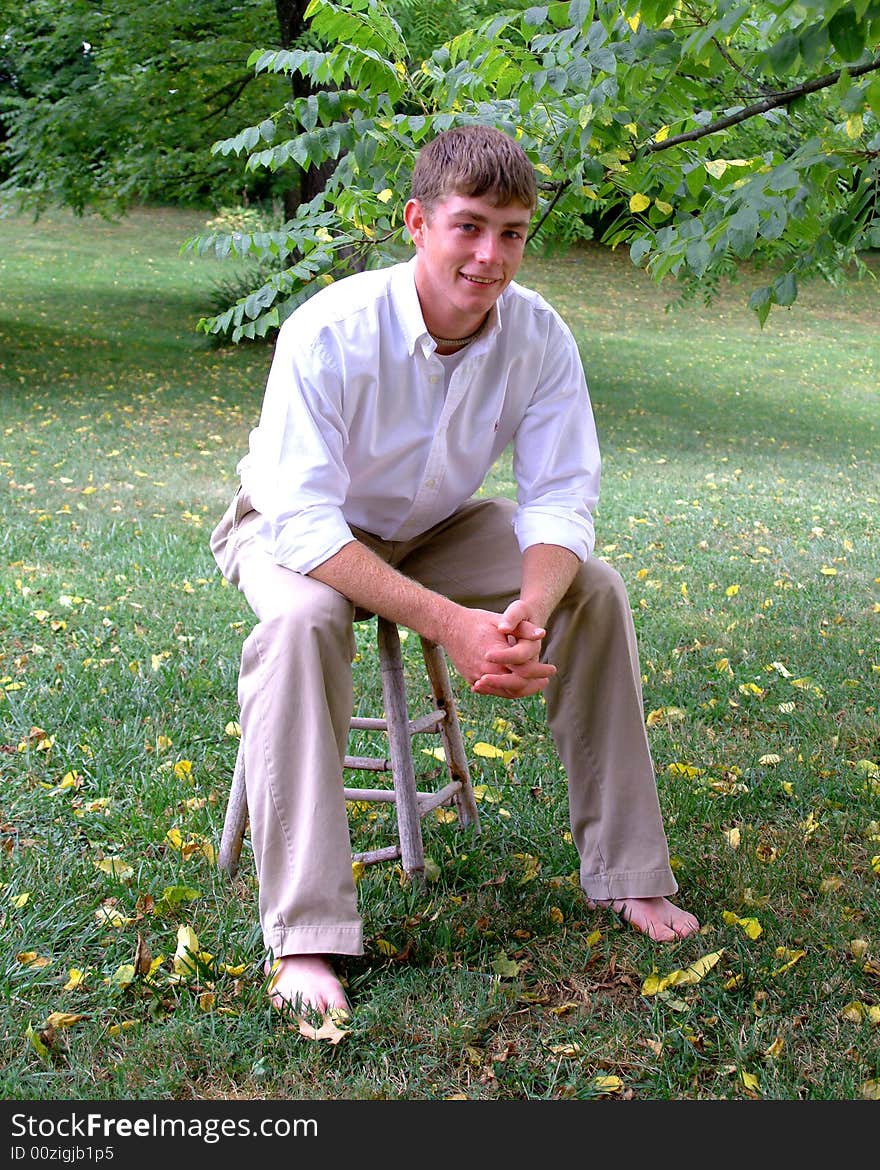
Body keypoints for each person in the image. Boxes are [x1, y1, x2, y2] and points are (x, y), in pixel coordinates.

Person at [210, 124, 699, 1023]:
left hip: (433, 527)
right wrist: (452, 623)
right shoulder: (330, 329)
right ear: (417, 222)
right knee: (304, 623)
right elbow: (308, 525)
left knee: (595, 587)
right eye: (469, 226)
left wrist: (529, 614)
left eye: (511, 232)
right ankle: (307, 935)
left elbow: (560, 498)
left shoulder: (540, 336)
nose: (490, 255)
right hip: (291, 531)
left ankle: (630, 874)